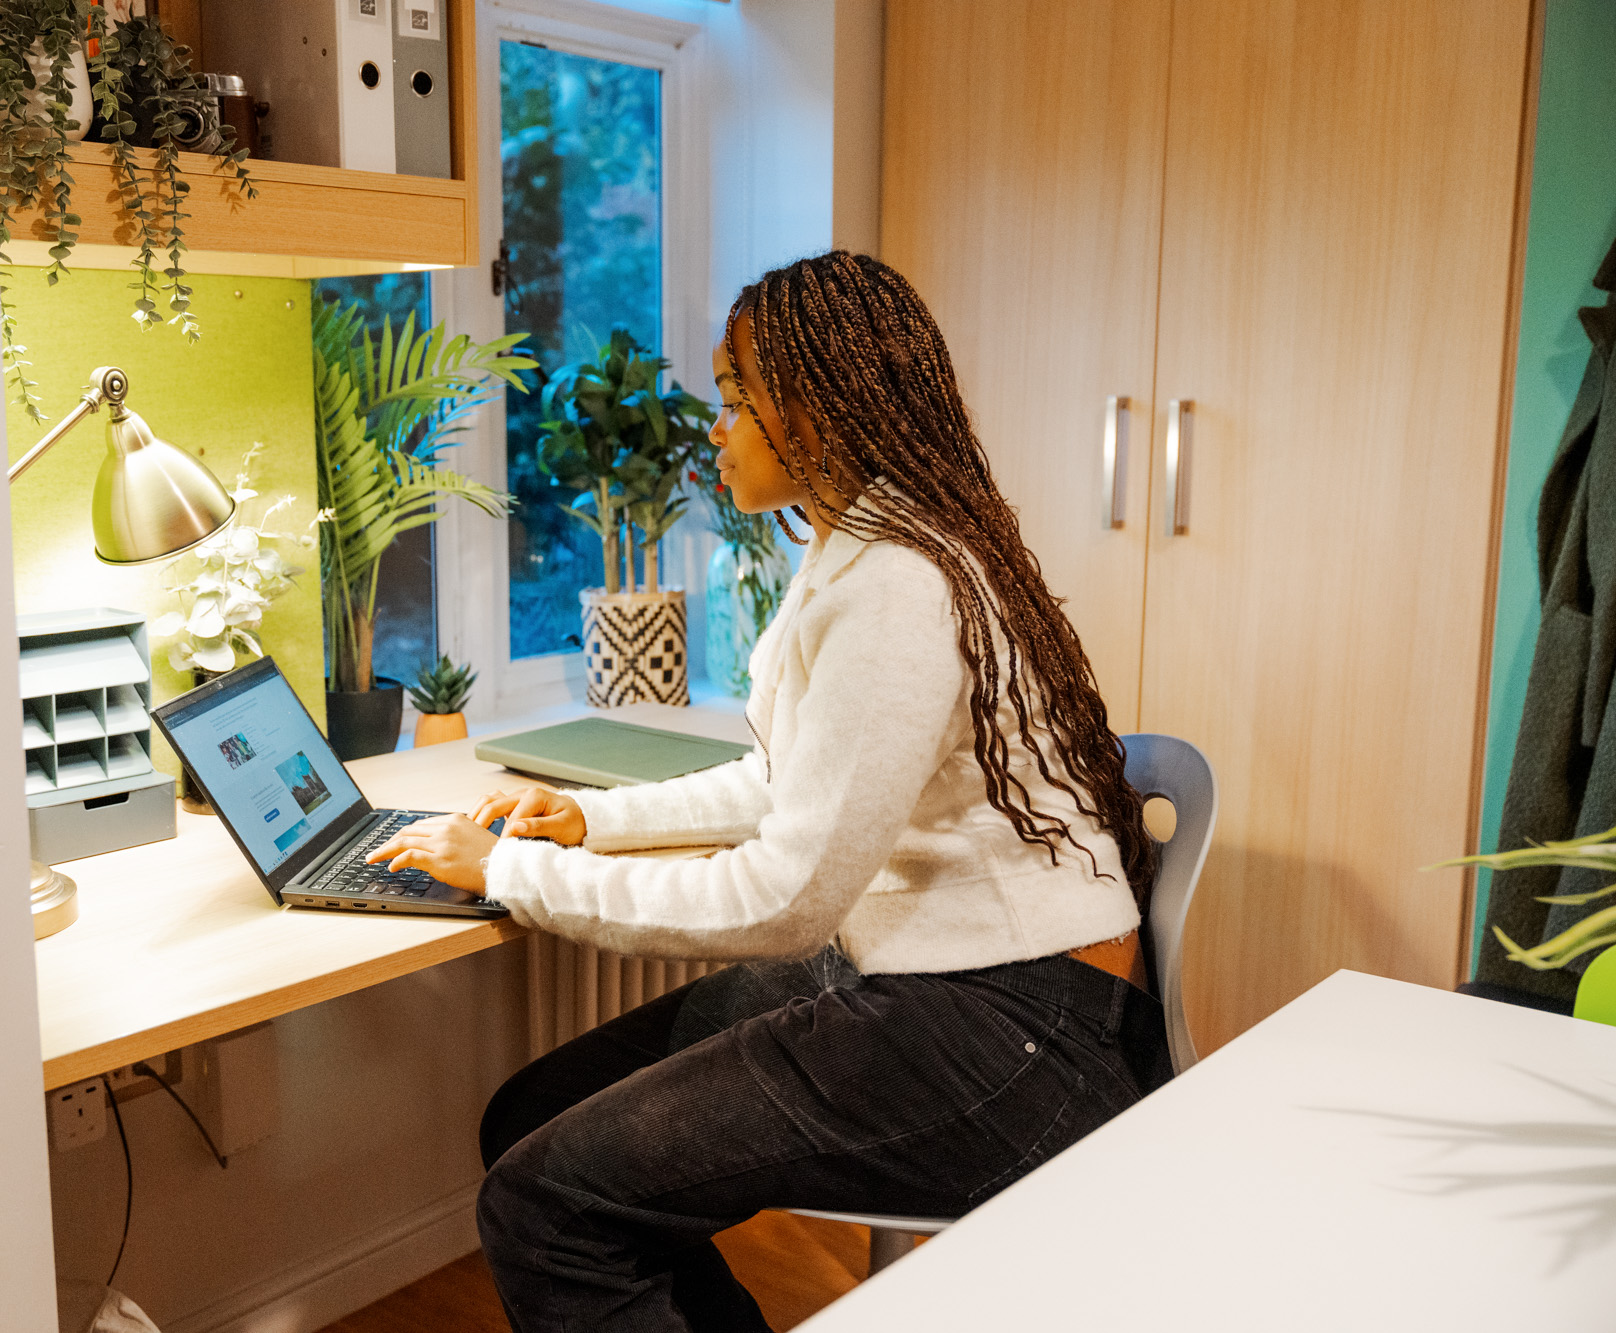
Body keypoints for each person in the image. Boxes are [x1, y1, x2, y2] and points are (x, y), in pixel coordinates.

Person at [366, 250, 1172, 1332]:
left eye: (737, 398)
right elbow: (792, 779)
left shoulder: (897, 583)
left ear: (817, 408)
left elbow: (787, 898)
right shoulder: (865, 541)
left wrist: (515, 872)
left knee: (542, 1205)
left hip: (1016, 1036)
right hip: (951, 979)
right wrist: (595, 819)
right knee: (532, 1118)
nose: (715, 426)